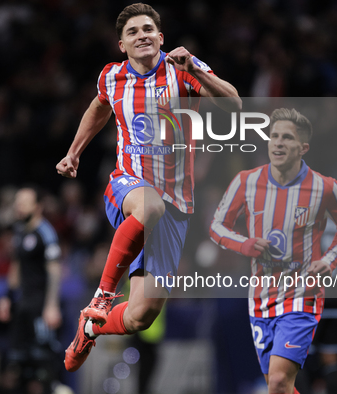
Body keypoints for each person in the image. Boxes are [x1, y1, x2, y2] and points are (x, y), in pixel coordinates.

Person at [56, 3, 241, 372]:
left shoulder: (183, 69)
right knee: (149, 205)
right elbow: (99, 107)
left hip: (175, 206)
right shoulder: (111, 76)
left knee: (142, 315)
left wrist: (197, 74)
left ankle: (89, 326)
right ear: (121, 45)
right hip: (128, 185)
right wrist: (74, 152)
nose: (141, 35)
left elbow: (234, 104)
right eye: (132, 32)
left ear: (160, 37)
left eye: (147, 29)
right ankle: (103, 296)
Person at [209, 108, 337, 394]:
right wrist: (244, 243)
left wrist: (330, 259)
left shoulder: (324, 187)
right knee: (278, 385)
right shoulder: (246, 181)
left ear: (303, 148)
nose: (277, 143)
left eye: (287, 138)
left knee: (278, 381)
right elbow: (217, 226)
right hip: (261, 297)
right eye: (274, 136)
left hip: (302, 294)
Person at [0, 187, 63, 393]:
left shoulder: (46, 233)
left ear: (37, 207)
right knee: (17, 361)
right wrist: (7, 297)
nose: (19, 207)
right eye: (17, 203)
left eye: (24, 203)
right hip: (23, 305)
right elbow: (16, 267)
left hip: (40, 307)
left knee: (43, 362)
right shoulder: (19, 232)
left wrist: (52, 305)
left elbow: (54, 271)